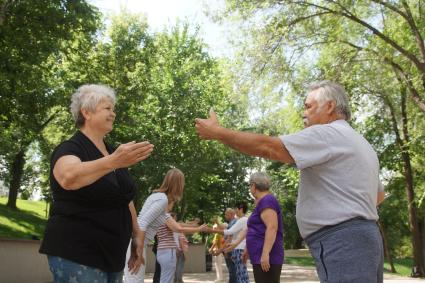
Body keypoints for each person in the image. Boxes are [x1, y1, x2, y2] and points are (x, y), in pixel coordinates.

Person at [195, 80, 386, 283]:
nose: (304, 113)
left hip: (342, 241)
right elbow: (378, 195)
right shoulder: (361, 143)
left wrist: (218, 133)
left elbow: (269, 147)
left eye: (308, 106)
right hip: (364, 238)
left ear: (330, 106)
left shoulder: (328, 133)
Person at [39, 84, 154, 282]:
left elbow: (125, 198)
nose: (113, 114)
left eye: (113, 109)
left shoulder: (113, 153)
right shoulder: (70, 148)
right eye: (107, 108)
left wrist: (137, 236)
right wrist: (114, 161)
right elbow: (69, 177)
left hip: (113, 256)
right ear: (86, 112)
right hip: (77, 251)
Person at [123, 168, 185, 283]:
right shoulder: (162, 200)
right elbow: (142, 223)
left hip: (136, 243)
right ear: (178, 185)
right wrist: (138, 252)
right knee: (134, 280)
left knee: (133, 279)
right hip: (136, 244)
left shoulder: (157, 196)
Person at [225, 172, 284, 283]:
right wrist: (243, 246)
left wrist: (265, 253)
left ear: (253, 185)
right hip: (259, 255)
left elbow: (272, 227)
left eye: (249, 186)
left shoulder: (267, 200)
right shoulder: (261, 202)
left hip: (268, 257)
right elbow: (252, 228)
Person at [205, 203, 249, 283]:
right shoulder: (242, 220)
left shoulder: (243, 220)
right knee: (240, 274)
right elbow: (230, 234)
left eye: (236, 209)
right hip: (237, 249)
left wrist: (211, 230)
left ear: (241, 209)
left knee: (240, 275)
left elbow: (229, 232)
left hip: (239, 250)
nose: (235, 211)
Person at [156, 211, 204, 283]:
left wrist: (194, 223)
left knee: (165, 276)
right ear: (172, 218)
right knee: (172, 273)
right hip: (171, 250)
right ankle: (178, 280)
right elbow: (185, 227)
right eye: (175, 217)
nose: (176, 219)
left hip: (161, 250)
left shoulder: (160, 222)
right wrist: (198, 228)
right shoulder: (171, 222)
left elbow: (187, 225)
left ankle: (177, 280)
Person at [208, 218, 225, 282]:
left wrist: (210, 249)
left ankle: (219, 278)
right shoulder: (219, 234)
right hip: (219, 251)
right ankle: (220, 278)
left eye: (214, 228)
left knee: (218, 265)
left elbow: (215, 243)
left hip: (217, 251)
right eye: (213, 228)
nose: (213, 229)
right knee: (218, 265)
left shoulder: (217, 234)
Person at [223, 208, 237, 283]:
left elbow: (229, 238)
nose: (225, 215)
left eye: (226, 214)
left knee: (232, 270)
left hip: (230, 250)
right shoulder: (231, 223)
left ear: (231, 214)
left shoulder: (233, 223)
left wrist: (222, 249)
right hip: (229, 249)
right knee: (232, 270)